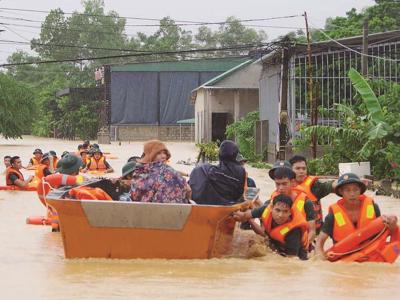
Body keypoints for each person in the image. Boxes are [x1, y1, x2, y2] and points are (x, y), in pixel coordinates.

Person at [315, 173, 399, 261]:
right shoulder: (332, 216)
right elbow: (319, 242)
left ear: (360, 191)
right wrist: (320, 262)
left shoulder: (373, 207)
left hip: (371, 258)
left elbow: (382, 233)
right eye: (347, 190)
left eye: (356, 190)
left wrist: (392, 226)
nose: (352, 194)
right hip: (345, 262)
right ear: (341, 192)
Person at [236, 161, 316, 245]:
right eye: (278, 184)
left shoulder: (306, 202)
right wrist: (250, 220)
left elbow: (312, 232)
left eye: (284, 184)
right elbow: (264, 233)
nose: (280, 188)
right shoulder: (270, 203)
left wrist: (303, 247)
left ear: (292, 182)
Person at [235, 194, 309, 260]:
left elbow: (291, 260)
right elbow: (244, 215)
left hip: (297, 254)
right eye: (277, 210)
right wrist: (233, 212)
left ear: (290, 212)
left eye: (285, 211)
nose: (280, 215)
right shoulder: (264, 209)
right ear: (271, 209)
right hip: (275, 243)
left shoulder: (294, 231)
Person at [189, 140, 246, 205]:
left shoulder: (202, 170)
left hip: (201, 206)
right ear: (235, 155)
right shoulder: (241, 171)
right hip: (228, 207)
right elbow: (239, 195)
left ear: (219, 154)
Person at [289, 155, 336, 233]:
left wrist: (348, 182)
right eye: (297, 168)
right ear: (290, 170)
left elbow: (330, 185)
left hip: (314, 232)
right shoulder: (285, 185)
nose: (301, 171)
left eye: (304, 168)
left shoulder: (314, 185)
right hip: (294, 232)